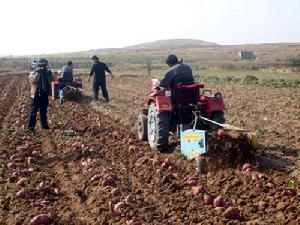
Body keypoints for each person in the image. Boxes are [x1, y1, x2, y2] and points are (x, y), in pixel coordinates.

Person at [27, 58, 56, 132]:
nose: (44, 67)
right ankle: (31, 127)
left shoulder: (47, 72)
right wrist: (38, 73)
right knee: (33, 111)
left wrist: (52, 74)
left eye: (45, 65)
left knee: (43, 111)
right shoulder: (33, 72)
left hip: (44, 94)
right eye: (43, 65)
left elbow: (53, 79)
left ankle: (44, 125)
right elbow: (33, 81)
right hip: (36, 94)